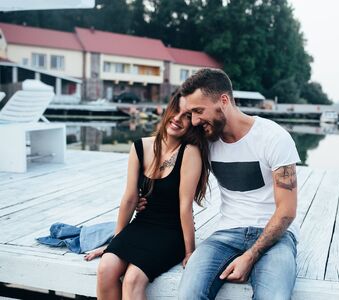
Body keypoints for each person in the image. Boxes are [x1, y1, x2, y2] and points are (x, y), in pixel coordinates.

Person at [138, 69, 300, 299]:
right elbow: (168, 162)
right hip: (226, 234)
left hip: (277, 237)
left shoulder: (274, 138)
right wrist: (144, 199)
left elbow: (287, 211)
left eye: (198, 111)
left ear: (223, 101)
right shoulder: (205, 141)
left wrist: (251, 255)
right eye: (191, 113)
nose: (194, 120)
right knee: (188, 295)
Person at [84, 90, 210, 300]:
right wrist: (116, 241)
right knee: (106, 268)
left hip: (171, 232)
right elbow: (130, 198)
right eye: (176, 111)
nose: (178, 119)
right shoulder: (140, 147)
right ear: (168, 110)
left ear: (193, 124)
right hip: (142, 224)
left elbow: (185, 206)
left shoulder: (190, 152)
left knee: (133, 280)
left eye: (187, 116)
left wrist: (190, 252)